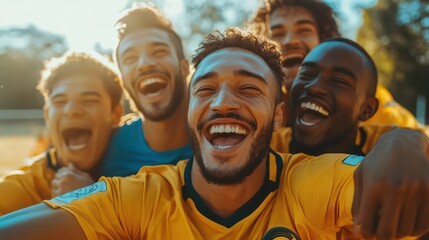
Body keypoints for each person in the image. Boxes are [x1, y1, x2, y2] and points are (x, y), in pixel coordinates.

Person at [1, 27, 428, 240]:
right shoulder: (139, 196)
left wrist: (407, 141)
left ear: (279, 114)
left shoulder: (309, 181)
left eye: (248, 87)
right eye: (205, 88)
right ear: (189, 108)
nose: (223, 102)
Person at [251, 0, 421, 129]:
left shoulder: (360, 94)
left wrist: (405, 141)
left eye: (304, 30)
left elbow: (414, 134)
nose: (290, 41)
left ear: (323, 40)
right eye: (277, 33)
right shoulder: (252, 102)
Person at [0, 51, 123, 216]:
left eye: (89, 100)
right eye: (60, 102)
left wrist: (92, 204)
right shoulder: (20, 190)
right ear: (46, 115)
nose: (71, 110)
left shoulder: (142, 171)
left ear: (116, 113)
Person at [100, 3, 192, 177]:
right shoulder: (109, 149)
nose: (144, 64)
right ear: (124, 81)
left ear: (184, 68)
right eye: (130, 58)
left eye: (158, 51)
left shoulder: (220, 138)